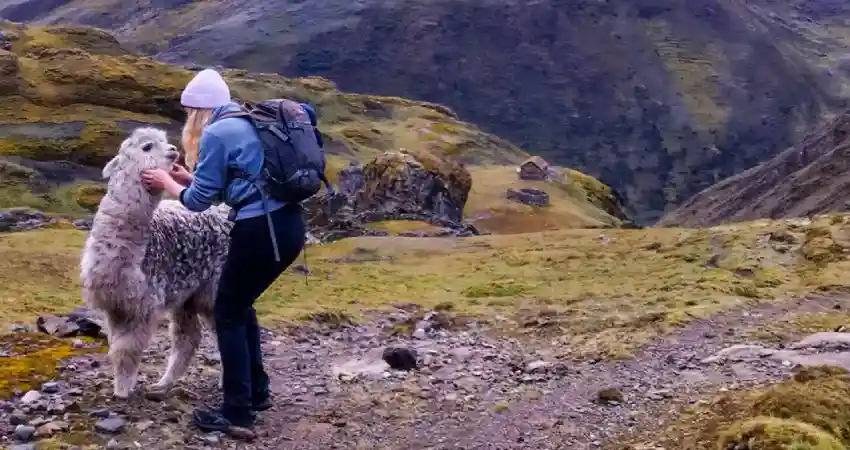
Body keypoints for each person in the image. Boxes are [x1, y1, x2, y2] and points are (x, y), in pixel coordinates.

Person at [140, 68, 307, 432]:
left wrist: (168, 181)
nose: (188, 120)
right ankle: (257, 391)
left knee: (227, 312)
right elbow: (230, 185)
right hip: (289, 226)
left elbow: (198, 203)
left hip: (259, 231)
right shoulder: (244, 120)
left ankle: (237, 411)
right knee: (241, 307)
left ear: (199, 110)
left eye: (188, 113)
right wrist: (188, 179)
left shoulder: (215, 131)